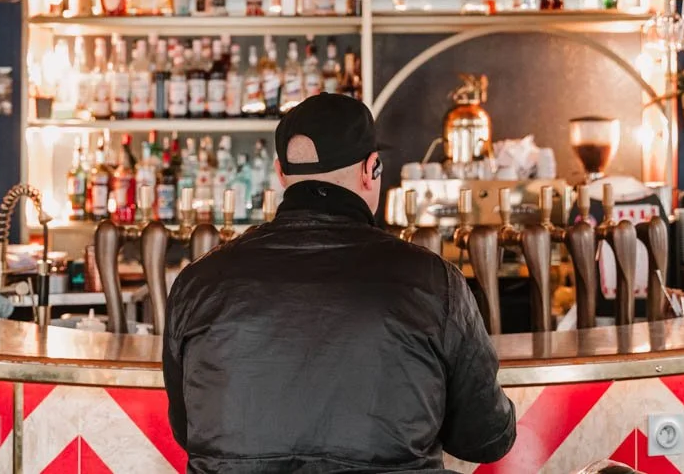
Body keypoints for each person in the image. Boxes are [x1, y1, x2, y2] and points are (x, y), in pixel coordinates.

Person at [163, 93, 516, 473]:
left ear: (281, 173)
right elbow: (487, 437)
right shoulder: (434, 282)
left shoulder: (197, 282)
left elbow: (188, 429)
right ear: (372, 169)